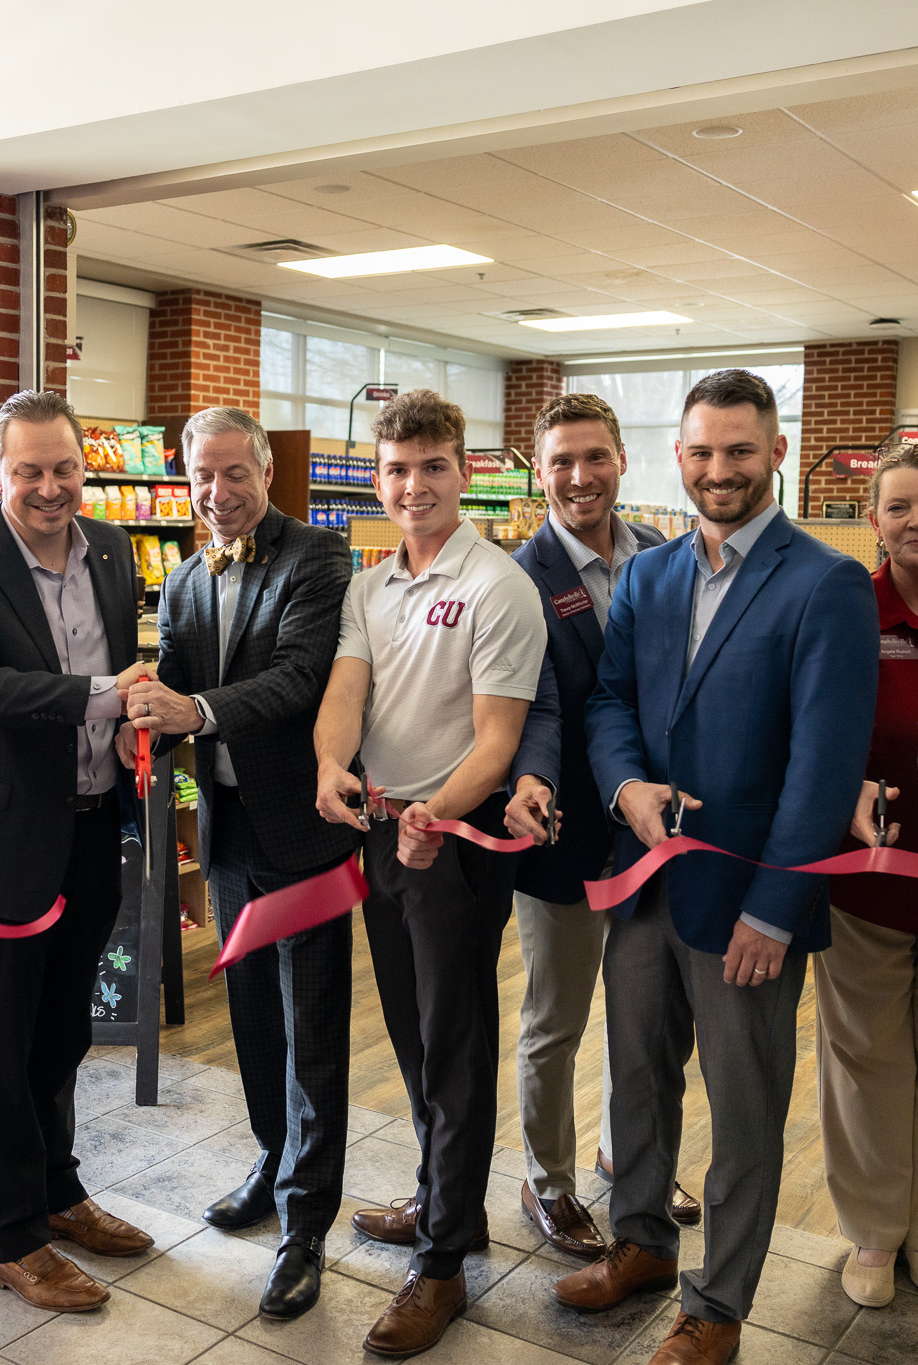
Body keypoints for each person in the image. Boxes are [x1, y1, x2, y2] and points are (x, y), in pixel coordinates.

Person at [570, 369, 877, 1365]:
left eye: (739, 451)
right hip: (646, 878)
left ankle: (717, 1303)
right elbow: (609, 702)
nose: (718, 470)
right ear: (678, 457)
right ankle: (642, 1244)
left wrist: (776, 909)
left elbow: (823, 765)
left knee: (743, 1106)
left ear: (775, 452)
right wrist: (624, 790)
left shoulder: (824, 583)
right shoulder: (653, 575)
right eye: (700, 452)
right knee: (634, 1079)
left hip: (750, 898)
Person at [314, 389, 547, 1357]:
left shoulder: (497, 586)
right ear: (379, 478)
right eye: (397, 470)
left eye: (433, 467)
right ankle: (438, 1199)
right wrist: (330, 765)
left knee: (452, 1042)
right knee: (410, 1030)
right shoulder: (368, 586)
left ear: (463, 475)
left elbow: (495, 745)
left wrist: (433, 817)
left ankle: (444, 1259)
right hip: (382, 829)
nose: (413, 486)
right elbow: (345, 694)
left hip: (453, 839)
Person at [0, 388, 154, 1313]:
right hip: (3, 838)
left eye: (63, 469)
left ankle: (58, 1189)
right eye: (29, 472)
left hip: (96, 825)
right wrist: (100, 693)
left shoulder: (116, 549)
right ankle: (8, 1233)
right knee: (4, 1037)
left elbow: (125, 675)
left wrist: (143, 715)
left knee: (65, 1027)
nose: (49, 488)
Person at [119, 407, 358, 1318]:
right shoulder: (181, 580)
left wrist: (195, 713)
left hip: (303, 832)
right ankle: (271, 1159)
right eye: (202, 477)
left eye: (235, 473)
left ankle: (306, 1225)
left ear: (266, 469)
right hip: (230, 838)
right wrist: (140, 709)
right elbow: (173, 683)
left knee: (313, 1032)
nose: (218, 494)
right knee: (256, 1016)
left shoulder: (318, 560)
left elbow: (297, 681)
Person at [503, 392, 699, 1264]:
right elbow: (530, 706)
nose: (580, 476)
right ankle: (547, 1179)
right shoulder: (520, 578)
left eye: (596, 456)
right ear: (538, 472)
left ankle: (633, 1154)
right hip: (567, 836)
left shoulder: (664, 555)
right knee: (558, 1015)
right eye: (561, 461)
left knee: (653, 1017)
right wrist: (535, 781)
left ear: (623, 458)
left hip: (655, 833)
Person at [818, 438, 918, 1309]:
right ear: (873, 520)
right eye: (898, 507)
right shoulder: (847, 605)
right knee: (866, 1058)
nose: (917, 520)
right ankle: (875, 1235)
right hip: (867, 881)